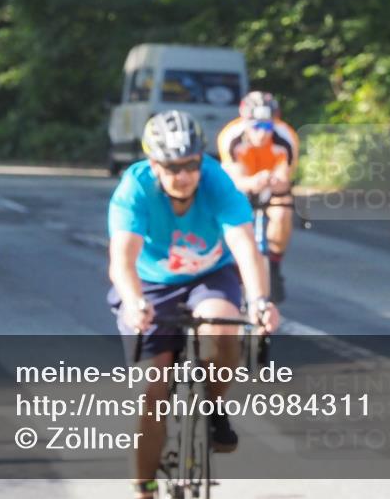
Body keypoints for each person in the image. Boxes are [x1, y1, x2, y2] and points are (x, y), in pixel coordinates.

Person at [106, 110, 280, 499]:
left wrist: (259, 301)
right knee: (153, 388)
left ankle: (214, 406)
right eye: (171, 167)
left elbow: (244, 245)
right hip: (149, 283)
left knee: (224, 325)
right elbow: (122, 260)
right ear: (154, 164)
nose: (182, 175)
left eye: (190, 165)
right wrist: (134, 302)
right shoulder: (134, 189)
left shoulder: (217, 182)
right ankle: (144, 487)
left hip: (208, 275)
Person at [217, 91, 299, 303]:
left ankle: (273, 263)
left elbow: (285, 177)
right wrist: (252, 183)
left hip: (271, 180)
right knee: (235, 221)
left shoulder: (287, 138)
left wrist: (275, 181)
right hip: (243, 179)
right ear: (245, 122)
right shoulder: (230, 137)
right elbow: (234, 180)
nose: (261, 134)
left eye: (267, 127)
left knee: (283, 213)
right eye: (255, 126)